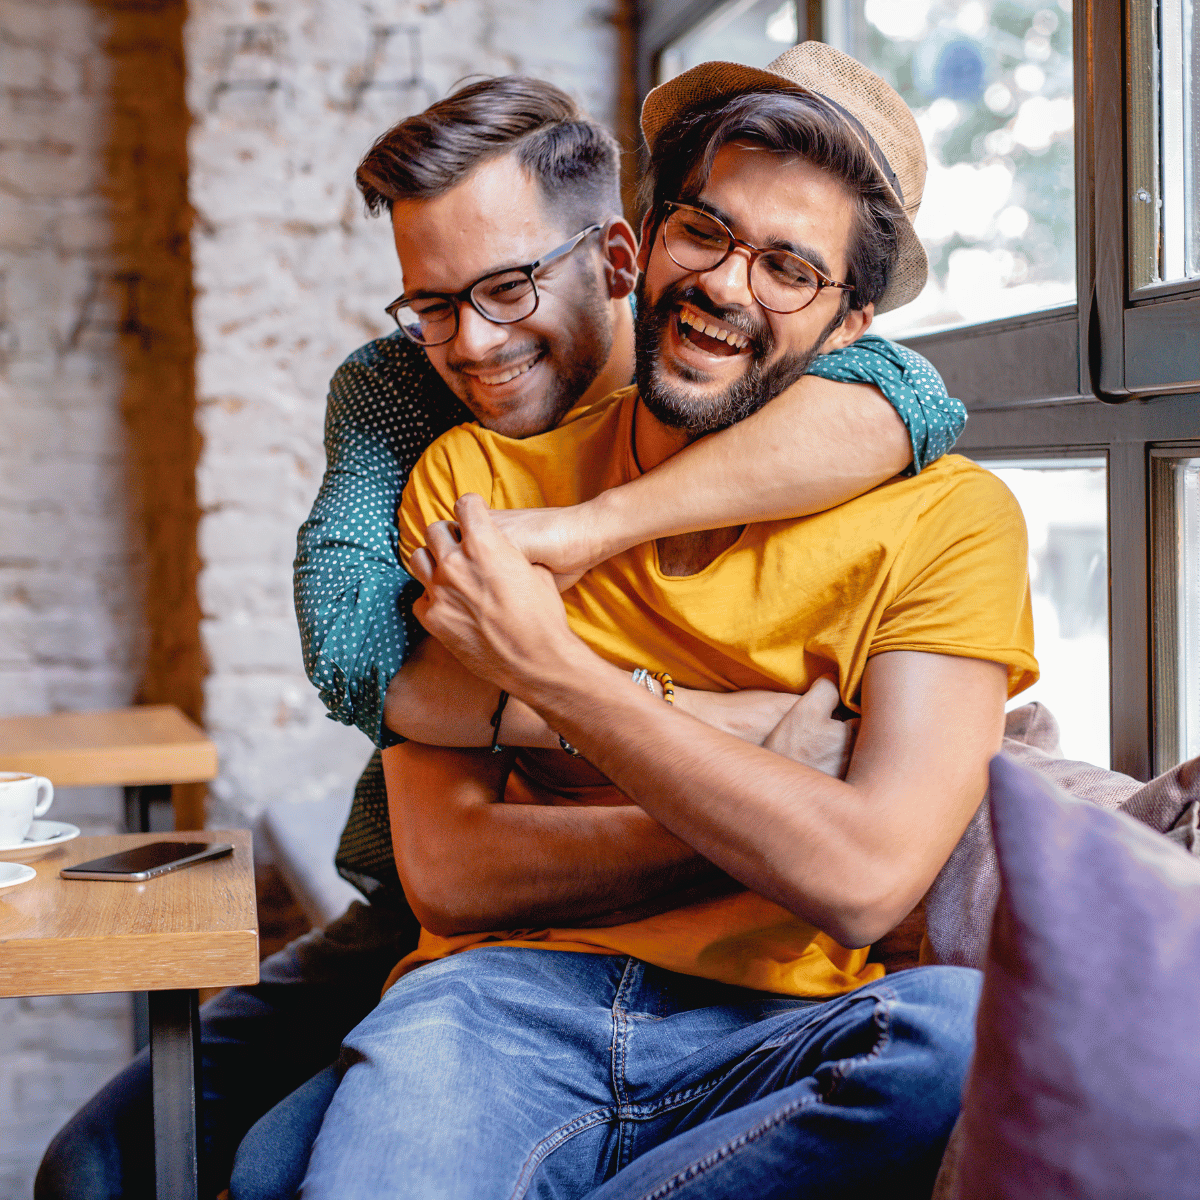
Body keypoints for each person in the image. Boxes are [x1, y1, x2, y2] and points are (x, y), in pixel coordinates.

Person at [36, 75, 963, 1200]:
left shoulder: (872, 428)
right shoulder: (431, 435)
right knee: (105, 1168)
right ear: (663, 237)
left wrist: (579, 546)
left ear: (613, 258)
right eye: (430, 303)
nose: (469, 342)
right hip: (443, 945)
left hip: (733, 995)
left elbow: (909, 395)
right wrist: (736, 765)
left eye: (511, 286)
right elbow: (354, 650)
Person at [295, 43, 1037, 1200]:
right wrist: (759, 781)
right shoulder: (472, 474)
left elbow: (863, 879)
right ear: (645, 242)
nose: (729, 284)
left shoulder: (955, 520)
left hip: (771, 1022)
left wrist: (561, 680)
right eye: (709, 231)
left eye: (790, 266)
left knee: (952, 1032)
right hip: (495, 1004)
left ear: (856, 328)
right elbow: (452, 873)